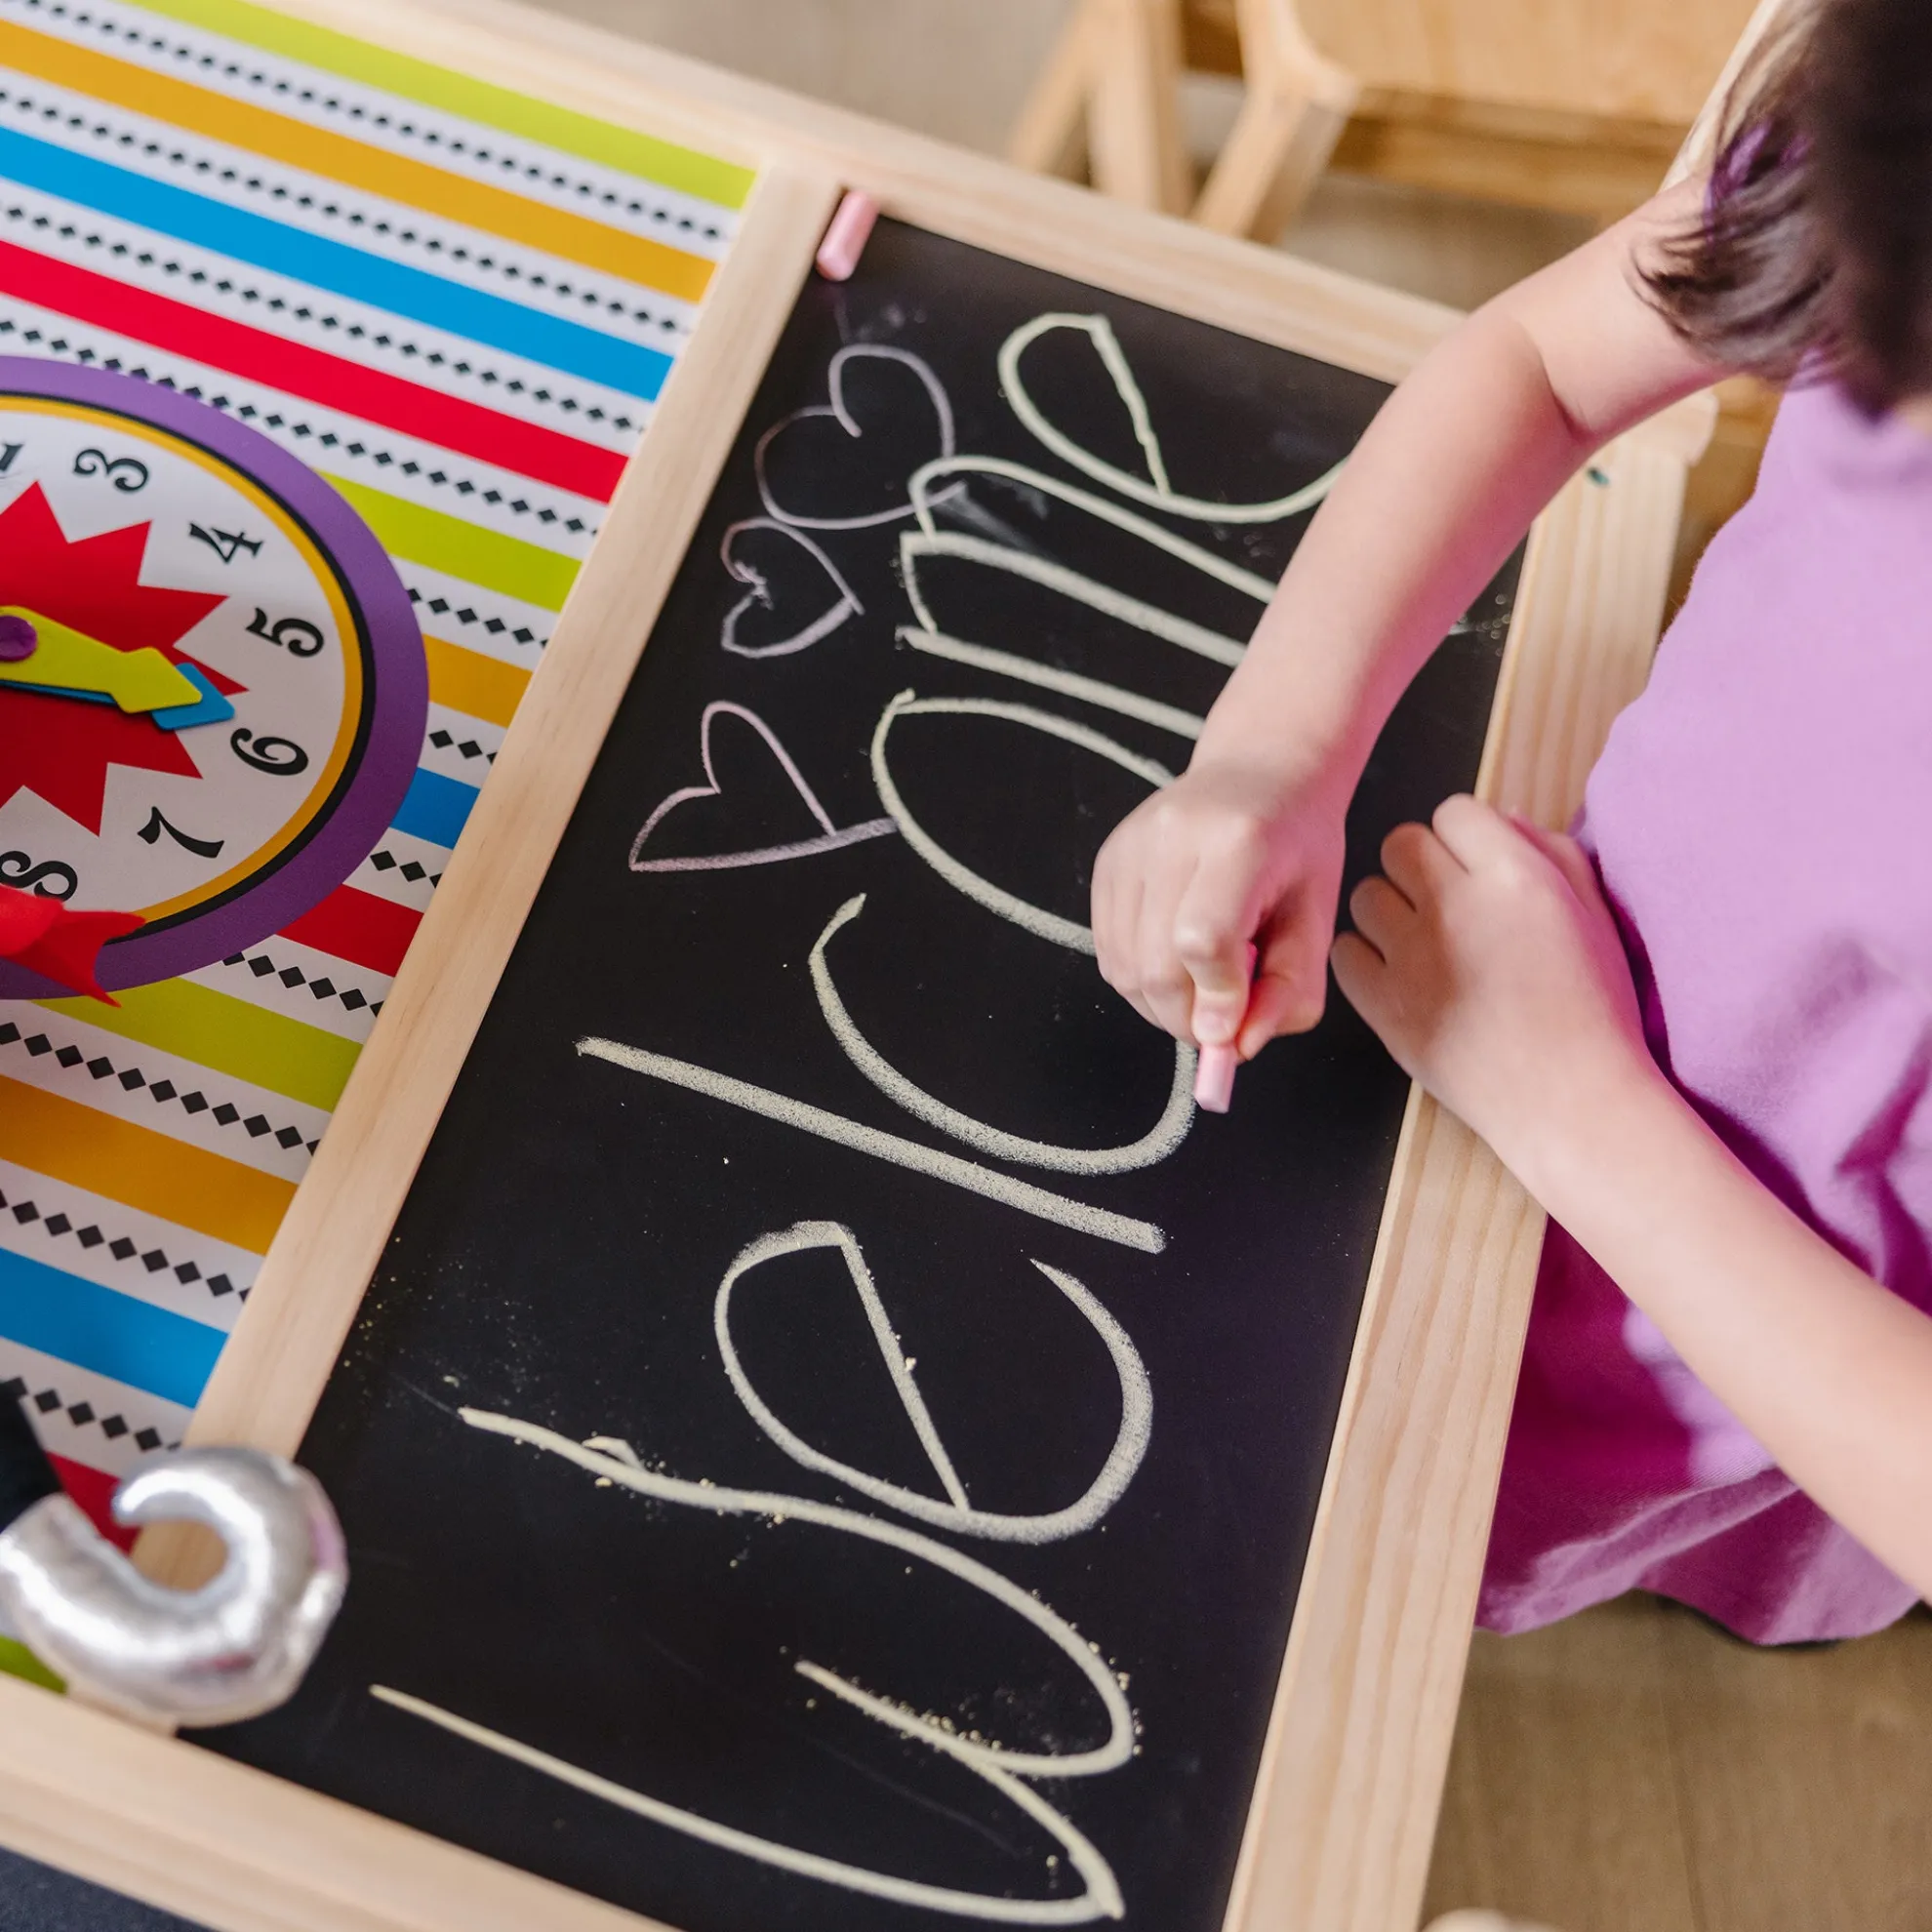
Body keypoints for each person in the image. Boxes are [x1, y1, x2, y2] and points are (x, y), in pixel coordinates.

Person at [1090, 0, 1932, 1644]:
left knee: (1376, 1559)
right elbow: (1552, 362)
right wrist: (1276, 751)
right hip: (1509, 1029)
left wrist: (1572, 1106)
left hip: (1763, 1347)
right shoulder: (1893, 110)